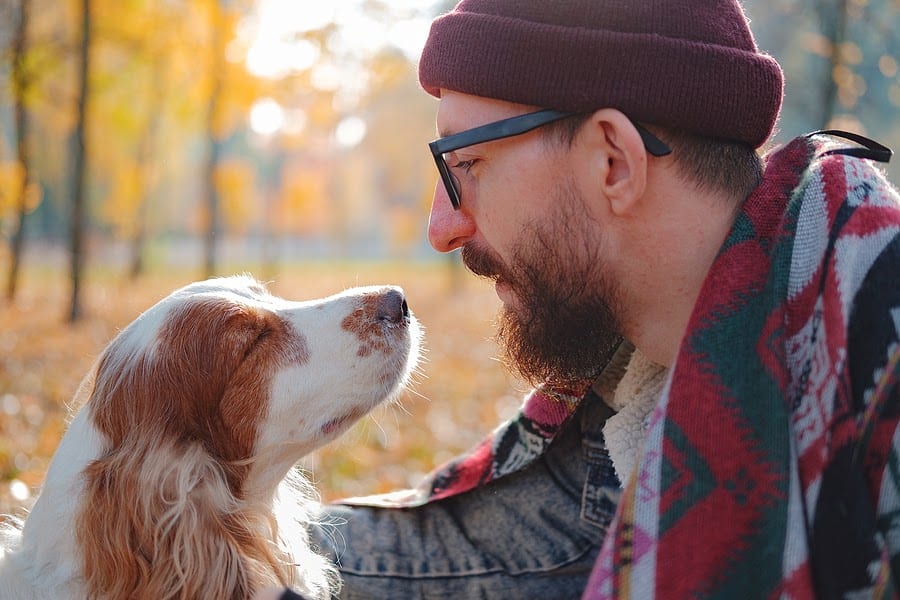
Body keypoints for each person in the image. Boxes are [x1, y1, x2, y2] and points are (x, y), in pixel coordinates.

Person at [261, 0, 900, 598]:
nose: (442, 228)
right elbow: (424, 561)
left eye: (468, 164)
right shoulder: (629, 422)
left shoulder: (880, 388)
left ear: (614, 162)